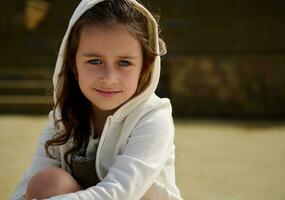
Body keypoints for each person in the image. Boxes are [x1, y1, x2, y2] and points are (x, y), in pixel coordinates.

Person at [11, 0, 183, 199]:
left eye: (124, 62)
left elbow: (117, 193)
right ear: (73, 65)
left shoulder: (153, 117)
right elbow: (25, 188)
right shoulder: (63, 117)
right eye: (94, 61)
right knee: (47, 182)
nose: (109, 79)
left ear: (144, 68)